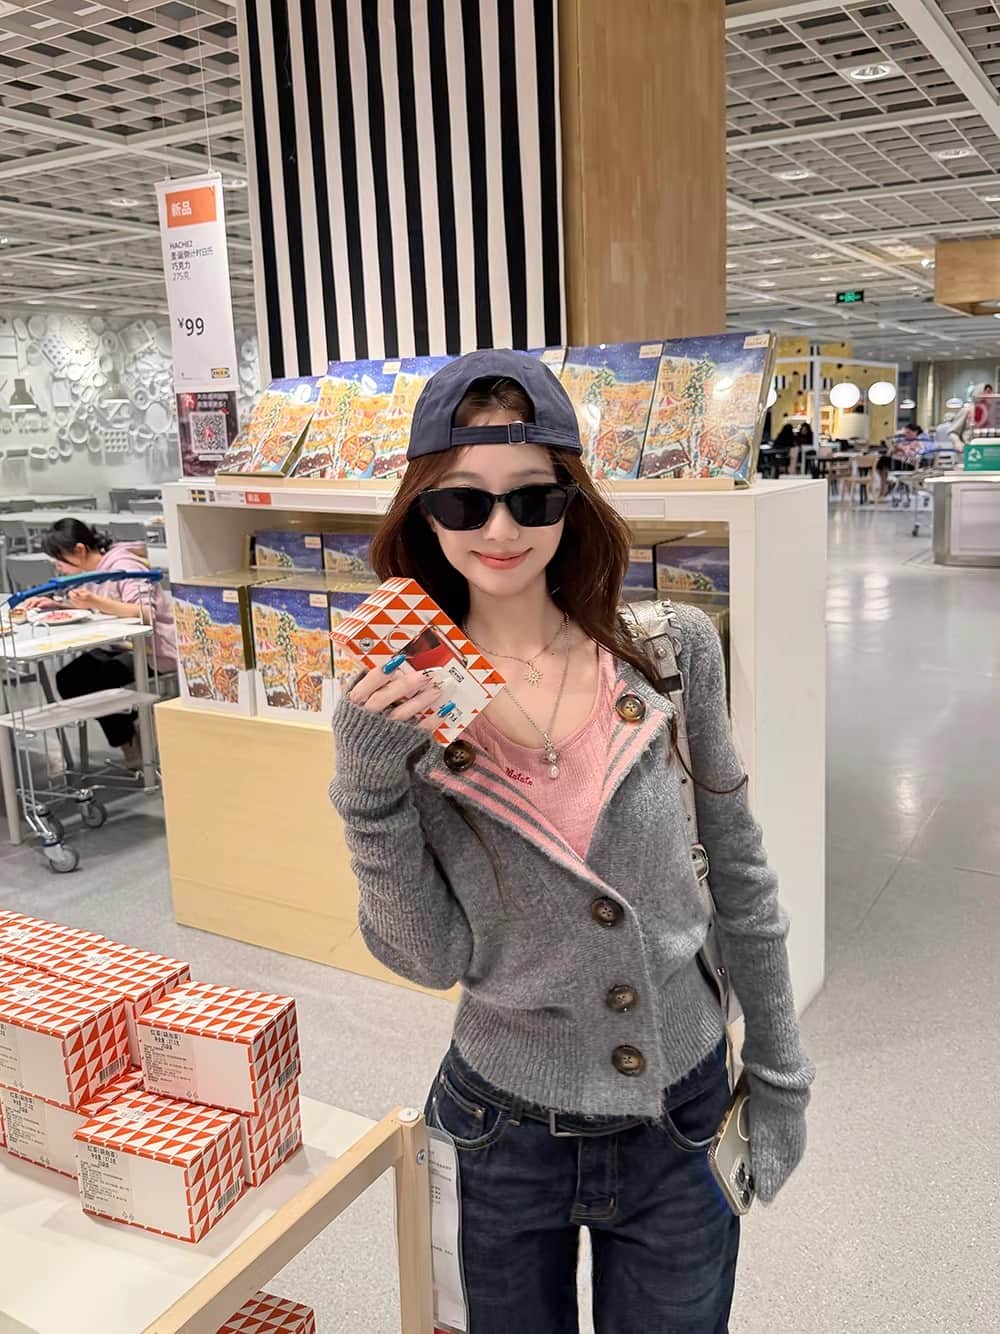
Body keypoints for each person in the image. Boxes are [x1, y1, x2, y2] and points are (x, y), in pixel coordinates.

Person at [330, 350, 814, 1333]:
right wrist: (369, 789)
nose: (500, 530)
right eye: (463, 502)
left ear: (572, 501)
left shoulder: (669, 652)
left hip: (683, 1115)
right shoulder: (407, 698)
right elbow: (430, 956)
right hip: (501, 1125)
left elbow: (741, 878)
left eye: (533, 497)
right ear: (423, 512)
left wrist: (779, 1078)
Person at [37, 519, 176, 768]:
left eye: (60, 559)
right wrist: (61, 606)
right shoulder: (92, 574)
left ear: (79, 550)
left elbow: (145, 613)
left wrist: (94, 602)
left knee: (96, 679)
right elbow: (99, 608)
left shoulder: (125, 566)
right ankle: (127, 733)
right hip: (119, 646)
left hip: (153, 650)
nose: (58, 567)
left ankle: (131, 738)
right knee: (68, 679)